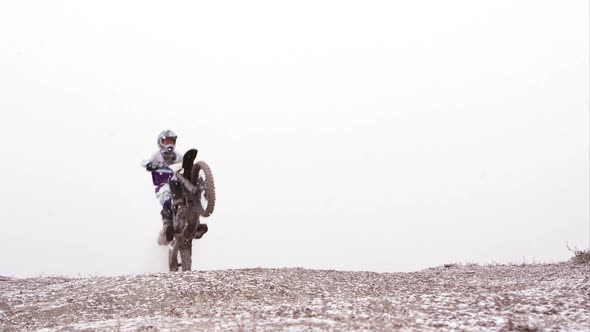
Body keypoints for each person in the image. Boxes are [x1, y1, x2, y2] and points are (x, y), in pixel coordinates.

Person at [142, 129, 183, 245]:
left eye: (172, 141)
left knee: (187, 196)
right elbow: (145, 162)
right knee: (167, 197)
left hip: (177, 185)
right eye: (167, 141)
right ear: (161, 142)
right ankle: (167, 225)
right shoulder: (157, 155)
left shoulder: (178, 156)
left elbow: (187, 163)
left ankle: (194, 221)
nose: (169, 144)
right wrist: (149, 165)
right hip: (162, 185)